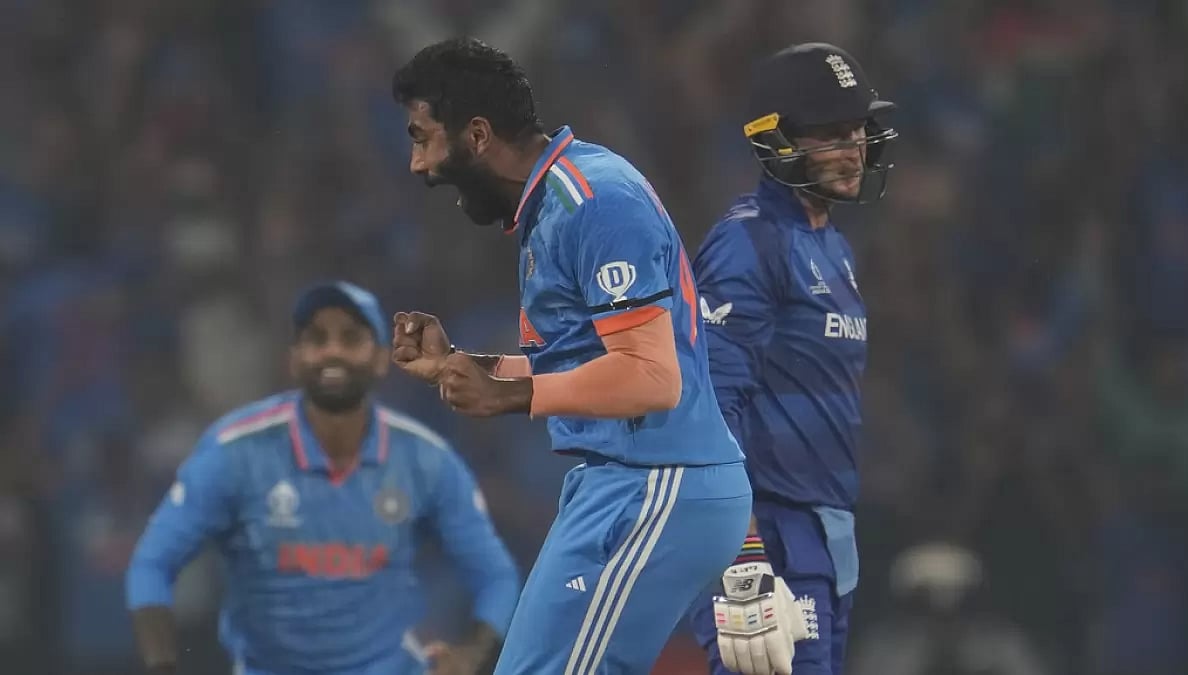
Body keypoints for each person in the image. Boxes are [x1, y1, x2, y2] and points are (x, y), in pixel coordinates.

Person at [388, 37, 753, 675]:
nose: (418, 165)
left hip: (658, 481)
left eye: (422, 137)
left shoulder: (595, 199)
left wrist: (509, 395)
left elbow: (652, 377)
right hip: (621, 480)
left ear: (475, 134)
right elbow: (594, 364)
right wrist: (474, 367)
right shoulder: (554, 203)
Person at [125, 281, 520, 675]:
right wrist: (162, 666)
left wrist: (471, 656)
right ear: (294, 359)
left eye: (351, 338)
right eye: (317, 338)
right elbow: (152, 563)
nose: (333, 351)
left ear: (382, 358)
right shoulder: (237, 452)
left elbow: (496, 576)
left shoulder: (424, 458)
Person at [685, 43, 899, 675]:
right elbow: (708, 405)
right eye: (832, 134)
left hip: (823, 536)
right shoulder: (748, 242)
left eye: (859, 130)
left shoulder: (832, 246)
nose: (854, 147)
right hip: (764, 534)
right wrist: (742, 553)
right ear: (778, 141)